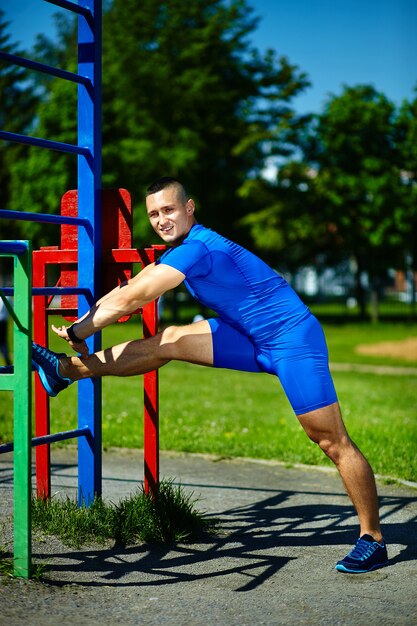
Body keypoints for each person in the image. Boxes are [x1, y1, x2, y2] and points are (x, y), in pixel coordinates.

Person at [32, 177, 388, 574]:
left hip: (292, 338)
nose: (161, 220)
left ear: (189, 208)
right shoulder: (184, 249)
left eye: (168, 210)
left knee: (329, 439)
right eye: (153, 214)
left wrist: (81, 330)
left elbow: (134, 296)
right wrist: (82, 328)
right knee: (168, 340)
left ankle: (371, 538)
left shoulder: (198, 248)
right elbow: (131, 288)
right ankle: (63, 370)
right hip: (245, 334)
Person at [0, 296, 11, 366]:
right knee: (3, 342)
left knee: (2, 342)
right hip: (3, 321)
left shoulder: (6, 297)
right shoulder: (8, 297)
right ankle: (7, 361)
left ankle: (7, 361)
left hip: (2, 321)